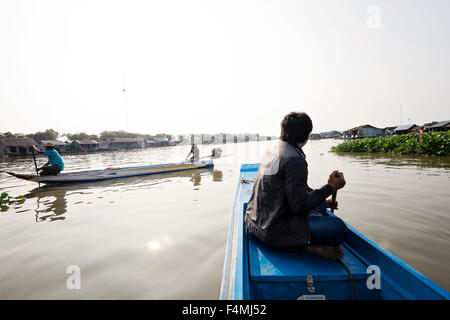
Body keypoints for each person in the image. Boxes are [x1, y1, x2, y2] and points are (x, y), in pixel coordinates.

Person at [244, 112, 348, 260]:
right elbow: (298, 206)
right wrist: (331, 187)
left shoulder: (272, 151)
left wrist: (322, 201)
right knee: (339, 229)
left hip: (253, 223)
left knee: (318, 204)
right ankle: (304, 245)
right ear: (306, 137)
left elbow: (292, 191)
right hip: (273, 230)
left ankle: (303, 236)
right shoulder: (294, 160)